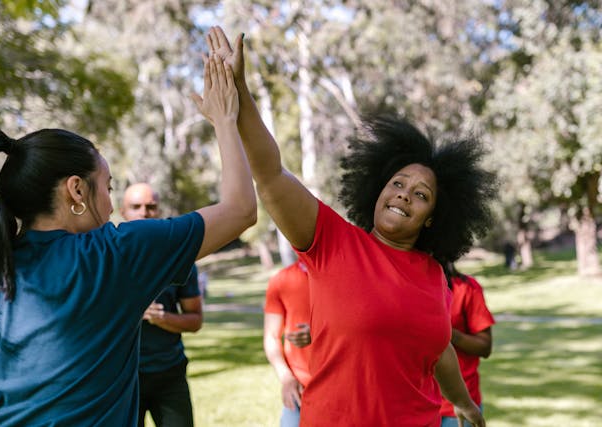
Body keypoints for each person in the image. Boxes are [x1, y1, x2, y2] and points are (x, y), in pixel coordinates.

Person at [205, 26, 497, 426]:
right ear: (378, 189)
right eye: (397, 183)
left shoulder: (433, 276)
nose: (404, 195)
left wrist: (463, 403)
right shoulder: (333, 241)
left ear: (433, 217)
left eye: (421, 194)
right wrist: (240, 92)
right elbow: (271, 174)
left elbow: (439, 347)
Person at [0, 55, 256, 426]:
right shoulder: (114, 256)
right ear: (76, 191)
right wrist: (226, 120)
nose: (111, 203)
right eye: (108, 187)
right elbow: (241, 209)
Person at [120, 183, 202, 427]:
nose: (144, 213)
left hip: (170, 375)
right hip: (124, 380)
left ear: (159, 211)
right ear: (122, 211)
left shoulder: (178, 260)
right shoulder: (106, 257)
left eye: (151, 207)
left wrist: (162, 318)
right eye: (136, 207)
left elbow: (196, 320)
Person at [440, 263, 495, 427]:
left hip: (459, 404)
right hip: (416, 403)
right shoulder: (408, 286)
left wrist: (447, 333)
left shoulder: (466, 287)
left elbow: (484, 347)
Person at [263, 260, 311, 427]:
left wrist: (321, 334)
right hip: (299, 388)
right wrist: (286, 378)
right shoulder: (281, 280)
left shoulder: (347, 273)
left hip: (344, 387)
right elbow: (271, 336)